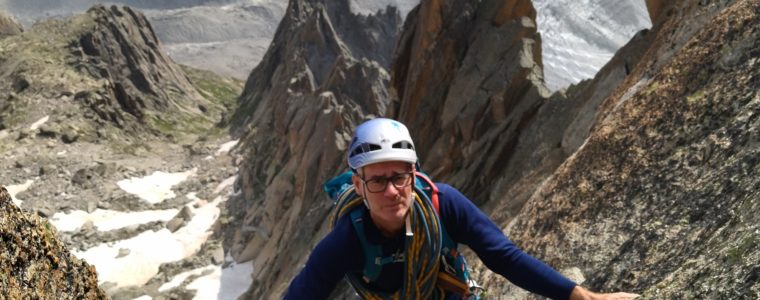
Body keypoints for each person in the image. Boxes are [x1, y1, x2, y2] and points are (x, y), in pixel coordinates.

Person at [285, 118, 639, 299]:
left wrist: (580, 295)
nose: (392, 191)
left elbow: (502, 255)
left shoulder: (443, 203)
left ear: (414, 173)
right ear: (359, 186)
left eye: (401, 176)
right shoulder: (346, 240)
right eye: (378, 181)